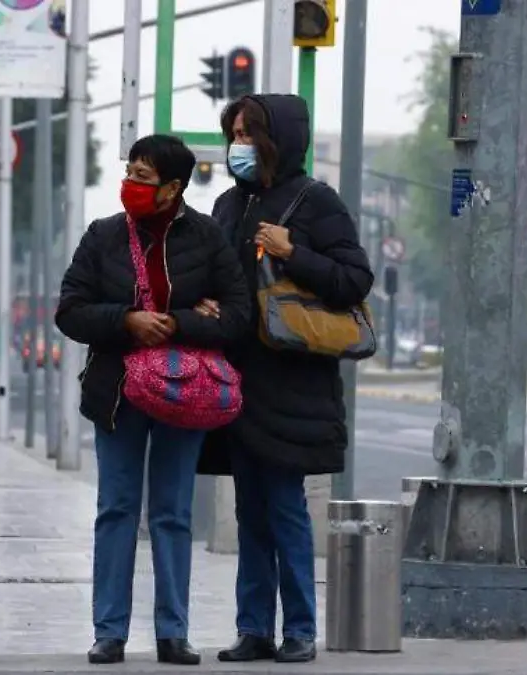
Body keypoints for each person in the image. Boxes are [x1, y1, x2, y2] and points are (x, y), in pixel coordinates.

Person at [55, 134, 250, 666]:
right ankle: (109, 631)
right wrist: (124, 320)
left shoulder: (208, 238)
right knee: (116, 508)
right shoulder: (103, 237)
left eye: (143, 177)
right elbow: (69, 310)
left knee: (172, 512)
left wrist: (178, 324)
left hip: (184, 393)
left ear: (173, 187)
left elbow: (239, 316)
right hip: (117, 393)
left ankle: (173, 632)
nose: (132, 185)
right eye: (130, 173)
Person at [197, 94, 373, 664]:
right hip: (237, 380)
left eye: (250, 133)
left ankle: (299, 628)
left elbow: (353, 280)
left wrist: (293, 251)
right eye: (235, 133)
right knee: (250, 509)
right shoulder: (227, 205)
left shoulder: (316, 202)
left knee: (285, 507)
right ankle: (253, 629)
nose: (239, 145)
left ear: (280, 139)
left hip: (292, 382)